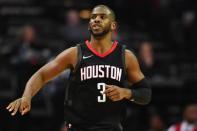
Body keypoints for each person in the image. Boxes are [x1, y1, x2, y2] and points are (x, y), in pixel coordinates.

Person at [6, 5, 151, 131]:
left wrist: (126, 92)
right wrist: (26, 96)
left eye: (102, 17)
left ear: (113, 25)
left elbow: (145, 94)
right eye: (93, 17)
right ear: (89, 25)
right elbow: (41, 75)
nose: (97, 20)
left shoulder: (126, 56)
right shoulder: (75, 53)